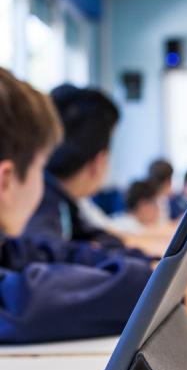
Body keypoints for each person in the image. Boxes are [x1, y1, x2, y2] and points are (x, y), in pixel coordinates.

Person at [0, 70, 187, 343]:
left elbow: (61, 254)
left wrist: (158, 274)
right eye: (40, 167)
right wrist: (179, 298)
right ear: (6, 180)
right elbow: (20, 303)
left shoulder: (12, 244)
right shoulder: (46, 209)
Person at [24, 84, 127, 249]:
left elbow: (94, 237)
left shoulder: (61, 203)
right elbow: (51, 260)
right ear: (99, 160)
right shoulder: (42, 206)